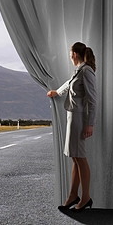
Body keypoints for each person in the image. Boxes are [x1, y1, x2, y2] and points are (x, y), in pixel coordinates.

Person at [47, 42, 97, 213]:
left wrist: (90, 123)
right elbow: (69, 84)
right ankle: (73, 195)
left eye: (70, 53)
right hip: (72, 117)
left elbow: (93, 100)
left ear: (75, 53)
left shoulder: (86, 71)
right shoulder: (78, 71)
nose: (69, 55)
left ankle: (86, 197)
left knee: (80, 157)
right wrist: (56, 92)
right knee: (75, 157)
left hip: (80, 119)